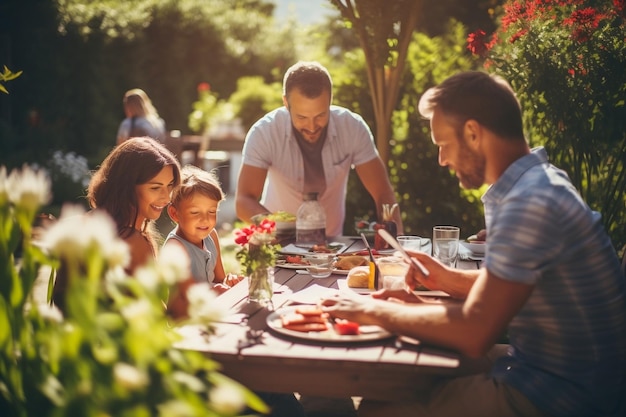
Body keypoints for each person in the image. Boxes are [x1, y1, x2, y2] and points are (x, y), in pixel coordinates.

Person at [321, 71, 626, 417]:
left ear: (472, 132)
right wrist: (445, 280)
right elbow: (517, 289)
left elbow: (475, 332)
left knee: (381, 407)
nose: (442, 160)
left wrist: (373, 311)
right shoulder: (540, 183)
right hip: (571, 375)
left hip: (563, 396)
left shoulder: (529, 202)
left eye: (443, 145)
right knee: (400, 375)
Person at [235, 60, 402, 237]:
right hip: (278, 244)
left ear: (331, 100)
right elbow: (244, 200)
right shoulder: (264, 132)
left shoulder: (352, 128)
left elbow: (383, 192)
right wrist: (280, 231)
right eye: (302, 117)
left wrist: (394, 240)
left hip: (331, 247)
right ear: (285, 102)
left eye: (321, 115)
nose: (312, 126)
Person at [52, 137, 181, 310]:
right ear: (127, 187)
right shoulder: (132, 240)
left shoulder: (84, 223)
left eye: (170, 186)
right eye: (155, 188)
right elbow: (156, 315)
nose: (166, 197)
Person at [163, 165, 243, 294]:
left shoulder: (212, 235)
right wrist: (214, 291)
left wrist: (229, 281)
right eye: (195, 212)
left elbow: (219, 279)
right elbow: (183, 298)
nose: (205, 219)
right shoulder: (175, 248)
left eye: (211, 211)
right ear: (175, 214)